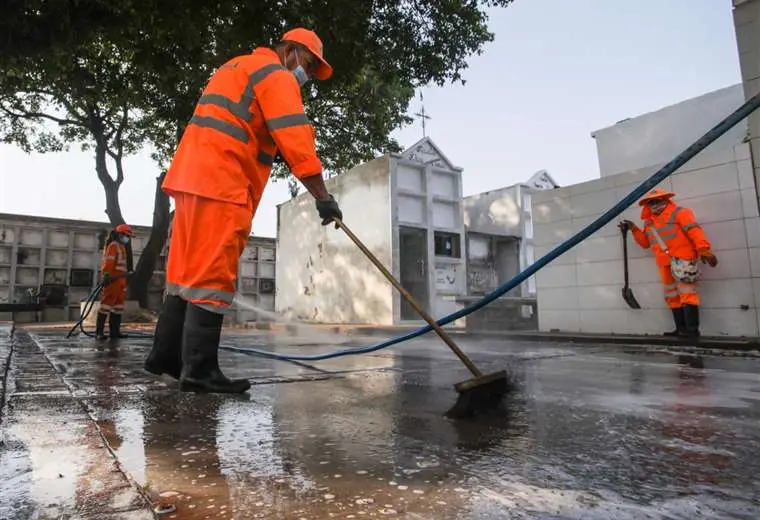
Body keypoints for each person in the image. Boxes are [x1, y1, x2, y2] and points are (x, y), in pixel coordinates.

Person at [144, 28, 343, 394]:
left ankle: (166, 356)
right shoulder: (277, 76)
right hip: (223, 182)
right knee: (211, 276)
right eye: (310, 65)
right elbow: (296, 138)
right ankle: (200, 369)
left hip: (190, 178)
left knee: (184, 274)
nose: (308, 76)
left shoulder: (236, 66)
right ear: (292, 51)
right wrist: (322, 196)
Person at [620, 188, 718, 338]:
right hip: (664, 263)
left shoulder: (680, 213)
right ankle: (680, 329)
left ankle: (692, 331)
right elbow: (646, 243)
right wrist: (634, 229)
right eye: (651, 202)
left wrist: (704, 249)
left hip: (683, 260)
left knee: (688, 294)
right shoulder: (649, 222)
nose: (654, 204)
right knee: (672, 296)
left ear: (666, 200)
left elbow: (694, 231)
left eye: (657, 200)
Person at [96, 223, 134, 339]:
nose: (127, 238)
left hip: (120, 281)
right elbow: (108, 263)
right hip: (112, 280)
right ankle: (99, 333)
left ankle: (115, 332)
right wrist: (106, 276)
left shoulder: (121, 246)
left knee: (118, 308)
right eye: (126, 235)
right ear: (119, 234)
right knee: (106, 306)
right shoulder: (113, 246)